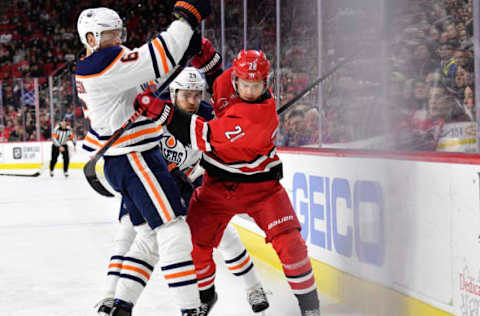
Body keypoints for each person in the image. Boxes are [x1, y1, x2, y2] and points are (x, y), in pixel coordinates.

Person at [134, 42, 321, 316]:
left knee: (291, 246)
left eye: (256, 85)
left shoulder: (259, 117)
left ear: (266, 82)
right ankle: (206, 298)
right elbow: (214, 74)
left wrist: (157, 108)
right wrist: (202, 48)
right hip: (216, 189)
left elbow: (201, 135)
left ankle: (310, 307)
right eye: (244, 84)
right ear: (236, 78)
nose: (249, 90)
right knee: (196, 247)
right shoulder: (230, 80)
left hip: (262, 190)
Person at [95, 68, 269, 315]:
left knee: (224, 234)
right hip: (154, 180)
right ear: (174, 93)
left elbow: (231, 139)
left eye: (197, 95)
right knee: (130, 234)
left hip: (194, 181)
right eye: (186, 95)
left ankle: (254, 288)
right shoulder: (157, 112)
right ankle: (110, 296)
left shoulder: (210, 114)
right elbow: (134, 145)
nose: (192, 101)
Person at [75, 2, 212, 315]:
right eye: (108, 35)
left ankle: (121, 304)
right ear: (91, 39)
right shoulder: (103, 62)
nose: (116, 40)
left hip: (130, 158)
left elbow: (150, 73)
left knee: (148, 234)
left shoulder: (103, 63)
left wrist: (180, 55)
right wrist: (186, 18)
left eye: (118, 33)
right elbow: (157, 56)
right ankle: (190, 310)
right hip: (135, 158)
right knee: (173, 229)